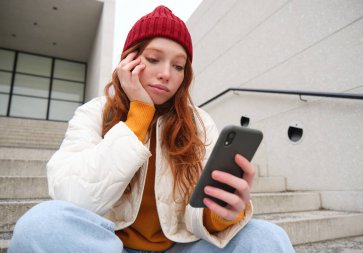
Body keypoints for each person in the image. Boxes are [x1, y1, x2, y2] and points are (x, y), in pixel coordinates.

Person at [8, 5, 295, 253]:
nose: (167, 74)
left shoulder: (199, 123)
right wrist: (139, 115)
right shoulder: (95, 112)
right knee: (41, 224)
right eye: (154, 59)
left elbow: (198, 215)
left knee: (268, 237)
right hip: (108, 245)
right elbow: (74, 196)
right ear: (128, 61)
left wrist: (223, 213)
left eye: (179, 66)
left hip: (181, 247)